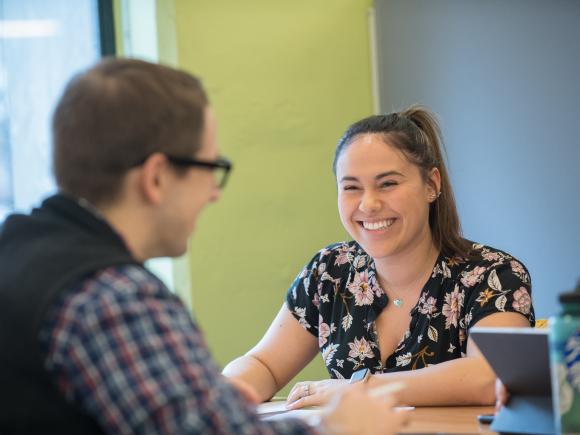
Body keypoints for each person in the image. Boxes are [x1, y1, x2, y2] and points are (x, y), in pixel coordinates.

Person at [0, 58, 405, 434]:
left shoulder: (17, 252)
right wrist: (338, 429)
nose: (213, 192)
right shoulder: (113, 299)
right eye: (210, 168)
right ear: (156, 177)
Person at [223, 106, 535, 408]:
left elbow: (490, 375)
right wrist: (224, 394)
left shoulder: (494, 274)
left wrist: (359, 389)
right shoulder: (329, 272)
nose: (368, 204)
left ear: (431, 184)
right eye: (351, 187)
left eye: (388, 184)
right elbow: (263, 364)